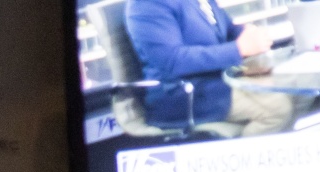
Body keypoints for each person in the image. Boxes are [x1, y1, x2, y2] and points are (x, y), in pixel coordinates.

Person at [125, 0, 297, 136]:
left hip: (217, 82)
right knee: (278, 109)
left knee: (296, 92)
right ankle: (243, 171)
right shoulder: (146, 4)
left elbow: (226, 29)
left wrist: (246, 34)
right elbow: (173, 60)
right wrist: (239, 49)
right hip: (183, 94)